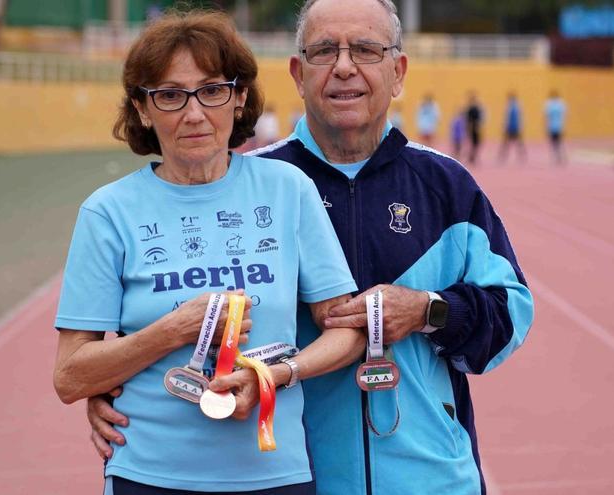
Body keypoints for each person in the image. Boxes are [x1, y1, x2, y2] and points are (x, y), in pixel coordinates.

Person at [88, 1, 534, 494]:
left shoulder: (447, 186)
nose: (344, 67)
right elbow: (189, 314)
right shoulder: (255, 189)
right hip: (301, 477)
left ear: (398, 71)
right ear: (298, 74)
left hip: (432, 478)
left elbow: (510, 315)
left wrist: (430, 310)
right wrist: (121, 386)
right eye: (325, 51)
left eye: (366, 49)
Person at [55, 10, 365, 495]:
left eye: (212, 90)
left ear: (240, 99)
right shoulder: (107, 213)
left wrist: (279, 375)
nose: (194, 113)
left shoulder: (288, 190)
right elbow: (70, 378)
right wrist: (173, 330)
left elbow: (347, 332)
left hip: (275, 474)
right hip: (147, 476)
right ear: (142, 109)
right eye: (171, 95)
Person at [498, 91, 526, 164]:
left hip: (513, 127)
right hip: (512, 127)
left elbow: (508, 118)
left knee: (512, 143)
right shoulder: (514, 106)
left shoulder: (513, 106)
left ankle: (504, 155)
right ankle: (504, 155)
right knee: (508, 143)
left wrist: (504, 127)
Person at [544, 89, 567, 165]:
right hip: (557, 126)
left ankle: (558, 156)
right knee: (557, 142)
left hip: (554, 126)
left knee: (555, 143)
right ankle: (558, 156)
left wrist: (546, 126)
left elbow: (547, 116)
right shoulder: (560, 104)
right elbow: (563, 116)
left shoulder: (550, 104)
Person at [465, 90, 484, 165]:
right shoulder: (471, 109)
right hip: (473, 128)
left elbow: (479, 118)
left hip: (474, 128)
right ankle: (472, 157)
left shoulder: (475, 108)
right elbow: (469, 120)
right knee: (474, 143)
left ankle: (472, 157)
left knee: (475, 143)